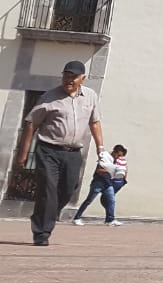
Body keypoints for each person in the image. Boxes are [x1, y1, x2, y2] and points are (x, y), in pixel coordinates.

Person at [14, 61, 105, 246]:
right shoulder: (49, 97)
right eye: (66, 76)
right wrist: (22, 154)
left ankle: (44, 214)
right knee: (48, 190)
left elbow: (94, 122)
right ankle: (42, 233)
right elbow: (31, 124)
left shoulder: (90, 96)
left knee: (68, 189)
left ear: (83, 79)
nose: (69, 80)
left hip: (73, 153)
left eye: (74, 77)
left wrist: (100, 148)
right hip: (48, 150)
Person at [72, 144, 128, 226]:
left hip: (108, 183)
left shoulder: (115, 161)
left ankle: (110, 219)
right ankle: (77, 218)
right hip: (98, 182)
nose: (118, 157)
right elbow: (98, 170)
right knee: (89, 200)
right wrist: (109, 171)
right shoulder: (105, 157)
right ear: (114, 151)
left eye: (120, 156)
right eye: (118, 155)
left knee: (111, 201)